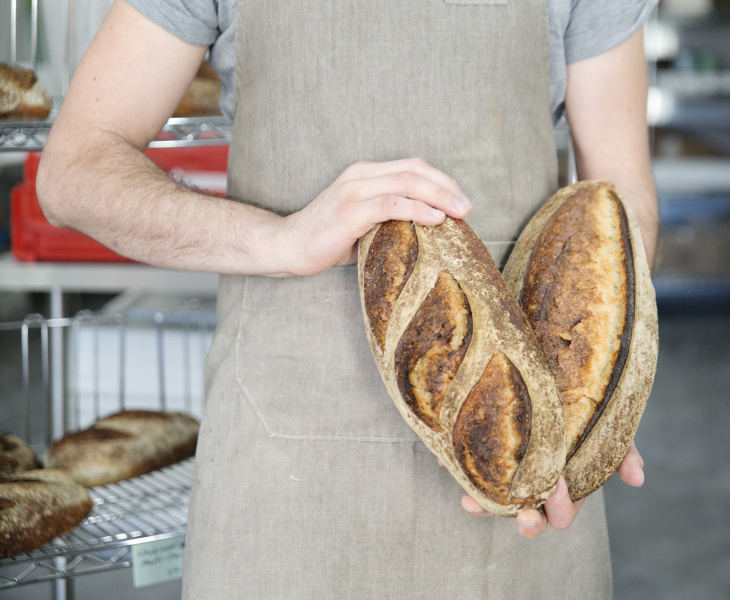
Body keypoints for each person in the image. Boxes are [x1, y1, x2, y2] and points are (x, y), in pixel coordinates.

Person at [37, 0, 659, 597]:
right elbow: (75, 169)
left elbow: (618, 198)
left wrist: (597, 397)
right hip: (286, 488)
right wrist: (279, 240)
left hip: (525, 469)